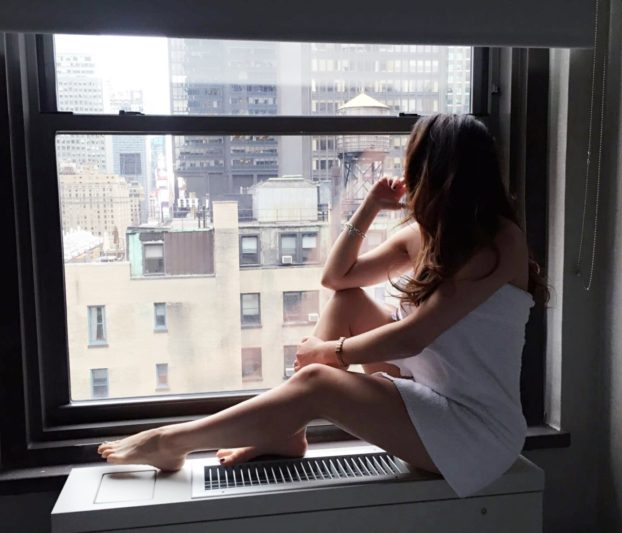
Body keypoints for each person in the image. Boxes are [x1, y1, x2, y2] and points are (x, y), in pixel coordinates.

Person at [98, 113, 548, 498]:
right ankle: (288, 432)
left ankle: (171, 442)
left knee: (317, 381)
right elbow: (337, 278)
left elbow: (415, 335)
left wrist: (332, 353)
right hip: (428, 392)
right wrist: (371, 206)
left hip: (474, 431)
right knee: (347, 303)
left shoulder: (501, 242)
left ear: (436, 171)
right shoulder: (427, 234)